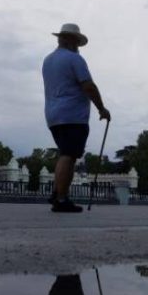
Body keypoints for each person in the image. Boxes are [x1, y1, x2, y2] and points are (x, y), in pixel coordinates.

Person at [43, 23, 111, 213]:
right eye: (77, 42)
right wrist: (102, 109)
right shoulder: (75, 60)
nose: (78, 47)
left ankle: (57, 192)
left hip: (52, 114)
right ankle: (62, 199)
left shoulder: (48, 60)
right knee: (69, 155)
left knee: (64, 153)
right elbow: (88, 86)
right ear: (70, 40)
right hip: (72, 115)